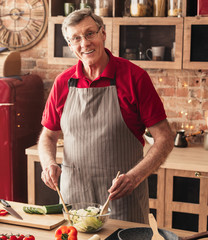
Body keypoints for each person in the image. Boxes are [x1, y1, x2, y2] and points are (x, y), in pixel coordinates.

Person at [38, 8, 174, 224]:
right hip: (75, 204)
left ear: (103, 33)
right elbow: (48, 136)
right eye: (76, 38)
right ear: (70, 45)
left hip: (123, 203)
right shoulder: (62, 83)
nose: (85, 43)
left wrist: (135, 177)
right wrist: (49, 164)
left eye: (90, 33)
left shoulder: (135, 78)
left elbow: (165, 138)